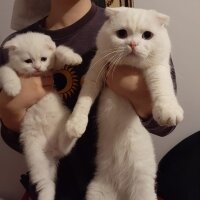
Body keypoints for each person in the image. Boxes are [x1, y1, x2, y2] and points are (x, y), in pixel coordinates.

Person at [0, 0, 176, 199]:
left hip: (124, 188)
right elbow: (20, 143)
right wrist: (10, 115)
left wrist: (138, 94)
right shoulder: (17, 44)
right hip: (55, 189)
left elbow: (165, 125)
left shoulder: (129, 22)